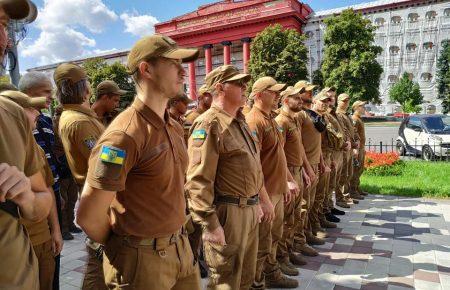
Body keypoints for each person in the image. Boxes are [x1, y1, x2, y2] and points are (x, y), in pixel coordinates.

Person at [77, 34, 201, 290]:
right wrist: (126, 249)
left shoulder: (174, 127)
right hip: (142, 263)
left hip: (181, 249)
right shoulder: (124, 136)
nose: (183, 71)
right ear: (146, 69)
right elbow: (89, 216)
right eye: (174, 63)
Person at [186, 64, 264, 289]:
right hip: (228, 214)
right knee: (226, 281)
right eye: (239, 83)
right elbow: (198, 180)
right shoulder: (209, 123)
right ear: (220, 88)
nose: (244, 87)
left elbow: (253, 168)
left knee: (245, 277)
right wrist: (210, 224)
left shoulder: (239, 122)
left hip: (248, 208)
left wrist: (256, 200)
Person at [0, 2, 53, 289]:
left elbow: (42, 196)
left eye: (3, 24)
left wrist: (27, 199)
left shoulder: (11, 115)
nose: (1, 39)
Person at [1, 90, 63, 290]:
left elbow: (45, 191)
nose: (37, 113)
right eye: (29, 109)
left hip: (35, 244)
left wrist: (26, 196)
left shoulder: (12, 119)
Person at [54, 63, 106, 290]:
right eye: (87, 81)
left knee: (99, 259)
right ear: (81, 87)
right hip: (99, 195)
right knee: (101, 255)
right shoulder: (79, 121)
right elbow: (104, 160)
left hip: (95, 192)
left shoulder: (79, 116)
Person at [246, 76, 299, 289]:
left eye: (278, 92)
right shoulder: (253, 121)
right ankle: (257, 282)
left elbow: (279, 155)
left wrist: (287, 180)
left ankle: (270, 272)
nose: (278, 95)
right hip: (265, 194)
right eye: (274, 92)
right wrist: (263, 198)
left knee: (273, 237)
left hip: (276, 190)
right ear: (259, 95)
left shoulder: (270, 119)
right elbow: (254, 164)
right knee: (261, 243)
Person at [19, 71, 66, 288]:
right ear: (28, 93)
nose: (50, 96)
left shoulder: (44, 120)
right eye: (46, 92)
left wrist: (58, 195)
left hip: (50, 193)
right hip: (31, 214)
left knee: (52, 265)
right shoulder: (19, 126)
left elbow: (49, 167)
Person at [275, 86, 313, 275]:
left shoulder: (294, 120)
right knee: (286, 218)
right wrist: (288, 178)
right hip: (287, 172)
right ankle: (281, 258)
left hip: (296, 171)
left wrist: (305, 170)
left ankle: (289, 251)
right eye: (295, 98)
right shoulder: (281, 121)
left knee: (295, 215)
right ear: (285, 100)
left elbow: (299, 149)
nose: (300, 101)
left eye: (300, 98)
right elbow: (279, 154)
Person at [291, 81, 322, 257]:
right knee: (299, 208)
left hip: (308, 164)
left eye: (310, 92)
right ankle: (297, 241)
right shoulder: (296, 117)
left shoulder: (305, 114)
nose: (308, 95)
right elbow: (296, 147)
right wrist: (305, 168)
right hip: (299, 167)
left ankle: (304, 234)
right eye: (304, 93)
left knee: (306, 205)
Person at [321, 87, 348, 224]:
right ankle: (325, 210)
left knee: (333, 182)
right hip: (331, 152)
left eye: (333, 97)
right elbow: (330, 135)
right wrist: (342, 144)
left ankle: (329, 207)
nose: (332, 99)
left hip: (337, 153)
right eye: (329, 97)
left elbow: (341, 131)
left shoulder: (334, 114)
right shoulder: (325, 115)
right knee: (327, 184)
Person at [336, 93, 360, 208]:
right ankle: (341, 197)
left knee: (349, 173)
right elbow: (344, 131)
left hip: (350, 147)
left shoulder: (346, 114)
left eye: (347, 101)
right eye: (343, 101)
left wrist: (356, 141)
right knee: (343, 174)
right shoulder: (338, 114)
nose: (346, 103)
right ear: (338, 101)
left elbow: (353, 130)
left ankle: (346, 195)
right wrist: (351, 144)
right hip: (345, 148)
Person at [350, 100, 368, 198]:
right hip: (357, 148)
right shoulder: (354, 119)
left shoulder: (359, 118)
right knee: (356, 169)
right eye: (362, 106)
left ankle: (356, 187)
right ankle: (352, 190)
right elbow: (353, 134)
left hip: (361, 147)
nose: (364, 108)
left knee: (360, 169)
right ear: (356, 107)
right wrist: (355, 149)